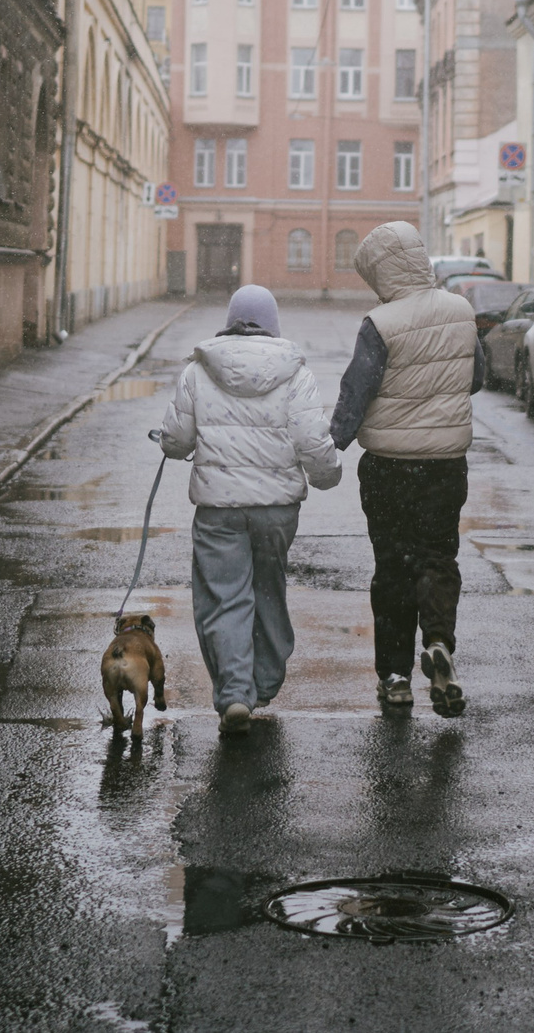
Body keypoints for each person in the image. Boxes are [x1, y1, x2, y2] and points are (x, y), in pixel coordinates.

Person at [158, 285, 340, 736]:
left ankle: (236, 693)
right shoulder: (295, 371)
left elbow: (177, 440)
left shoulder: (198, 369)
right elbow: (311, 438)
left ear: (230, 321)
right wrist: (326, 475)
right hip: (276, 510)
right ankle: (265, 681)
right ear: (272, 324)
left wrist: (172, 444)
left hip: (218, 509)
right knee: (268, 590)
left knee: (224, 598)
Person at [329, 222, 489, 717]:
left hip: (389, 468)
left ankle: (396, 677)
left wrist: (330, 444)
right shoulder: (461, 311)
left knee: (393, 567)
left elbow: (357, 391)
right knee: (438, 557)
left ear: (379, 273)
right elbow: (476, 378)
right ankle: (438, 641)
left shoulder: (380, 323)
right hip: (445, 465)